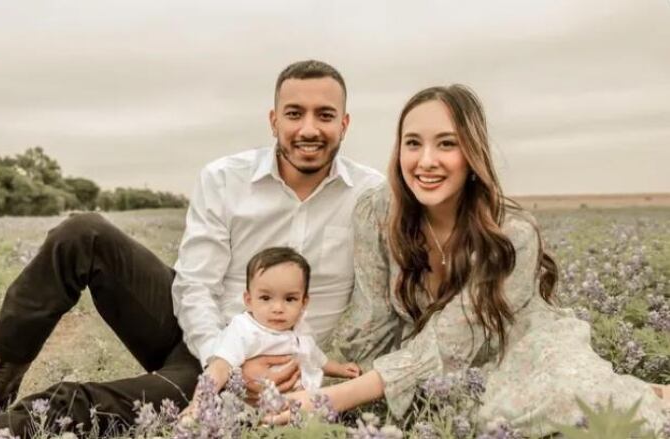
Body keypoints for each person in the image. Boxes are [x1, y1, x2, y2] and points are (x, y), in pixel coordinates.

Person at [0, 60, 383, 437]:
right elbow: (193, 286)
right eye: (295, 113)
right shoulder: (226, 177)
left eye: (325, 115)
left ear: (346, 123)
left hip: (278, 360)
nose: (309, 129)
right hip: (207, 338)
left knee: (75, 402)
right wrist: (225, 362)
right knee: (82, 232)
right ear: (274, 120)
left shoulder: (373, 196)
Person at [273, 84, 668, 436]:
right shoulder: (376, 212)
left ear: (472, 152)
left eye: (447, 144)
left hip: (518, 345)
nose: (426, 161)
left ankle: (644, 396)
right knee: (436, 403)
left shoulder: (512, 234)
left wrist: (334, 400)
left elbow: (451, 342)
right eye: (413, 143)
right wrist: (319, 381)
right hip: (423, 354)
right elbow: (370, 322)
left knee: (516, 411)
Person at [185, 246, 360, 415]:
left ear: (304, 302)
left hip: (301, 407)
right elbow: (219, 368)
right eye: (266, 298)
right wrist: (199, 403)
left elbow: (317, 358)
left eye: (290, 299)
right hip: (252, 409)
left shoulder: (300, 330)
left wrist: (340, 370)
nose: (278, 308)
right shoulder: (244, 330)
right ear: (249, 300)